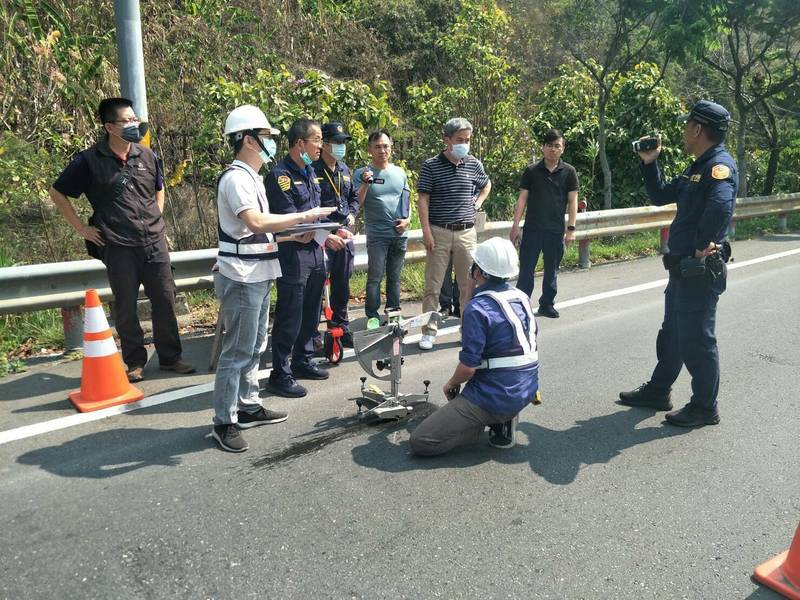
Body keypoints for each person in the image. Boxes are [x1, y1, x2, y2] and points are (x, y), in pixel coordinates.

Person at [211, 105, 334, 453]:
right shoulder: (236, 178)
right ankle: (224, 420)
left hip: (261, 271)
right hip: (242, 276)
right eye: (266, 137)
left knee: (253, 348)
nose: (270, 144)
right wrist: (305, 216)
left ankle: (248, 406)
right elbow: (256, 223)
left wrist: (292, 235)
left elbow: (257, 233)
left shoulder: (251, 178)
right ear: (248, 139)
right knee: (236, 351)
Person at [49, 97, 195, 382]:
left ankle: (170, 357)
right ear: (109, 127)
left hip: (154, 242)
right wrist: (82, 228)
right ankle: (135, 362)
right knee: (126, 306)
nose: (134, 124)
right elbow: (58, 192)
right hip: (117, 245)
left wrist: (158, 216)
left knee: (165, 299)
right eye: (127, 121)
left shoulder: (147, 155)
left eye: (135, 119)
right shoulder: (89, 161)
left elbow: (159, 187)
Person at [619, 100, 737, 428]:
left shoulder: (719, 167)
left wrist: (701, 246)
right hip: (681, 269)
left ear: (699, 129)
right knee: (672, 333)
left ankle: (704, 406)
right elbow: (659, 195)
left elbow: (720, 207)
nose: (685, 130)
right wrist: (649, 162)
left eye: (688, 125)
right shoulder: (696, 166)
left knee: (697, 338)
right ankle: (658, 390)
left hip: (697, 270)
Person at [409, 237, 539, 456]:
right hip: (527, 387)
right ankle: (504, 418)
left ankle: (483, 424)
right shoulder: (521, 297)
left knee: (421, 441)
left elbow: (468, 367)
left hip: (495, 395)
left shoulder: (477, 309)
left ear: (477, 272)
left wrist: (450, 384)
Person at [264, 119, 353, 398]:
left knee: (311, 311)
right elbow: (291, 220)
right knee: (290, 314)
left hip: (314, 253)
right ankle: (280, 372)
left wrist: (333, 229)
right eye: (316, 140)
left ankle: (302, 360)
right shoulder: (281, 176)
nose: (320, 146)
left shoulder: (309, 173)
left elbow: (317, 212)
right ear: (300, 143)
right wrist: (324, 235)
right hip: (293, 255)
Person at [417, 118, 492, 350]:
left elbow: (486, 184)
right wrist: (426, 231)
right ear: (447, 140)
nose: (464, 144)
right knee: (433, 285)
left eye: (467, 140)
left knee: (468, 284)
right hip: (439, 230)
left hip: (466, 232)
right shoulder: (431, 165)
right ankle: (429, 331)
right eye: (460, 140)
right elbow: (423, 199)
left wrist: (477, 202)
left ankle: (466, 330)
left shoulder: (473, 164)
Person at [510, 129, 578, 318]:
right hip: (532, 230)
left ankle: (547, 304)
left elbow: (573, 201)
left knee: (551, 272)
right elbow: (522, 199)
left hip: (555, 231)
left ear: (562, 149)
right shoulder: (531, 171)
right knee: (526, 271)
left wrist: (571, 229)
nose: (553, 150)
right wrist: (515, 225)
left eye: (557, 146)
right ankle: (521, 305)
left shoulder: (569, 172)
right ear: (543, 147)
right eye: (549, 145)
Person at [353, 130, 411, 329]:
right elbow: (357, 203)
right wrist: (365, 183)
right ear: (370, 149)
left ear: (391, 148)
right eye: (377, 146)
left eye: (385, 146)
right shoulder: (362, 173)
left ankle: (394, 312)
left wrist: (408, 221)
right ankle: (372, 315)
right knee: (375, 277)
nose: (382, 150)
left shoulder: (399, 173)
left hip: (399, 235)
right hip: (377, 235)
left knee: (395, 278)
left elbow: (406, 200)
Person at [311, 122, 359, 348]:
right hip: (322, 236)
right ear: (325, 144)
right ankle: (312, 334)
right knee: (317, 285)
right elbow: (309, 205)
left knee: (342, 284)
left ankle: (340, 326)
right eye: (337, 143)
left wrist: (352, 213)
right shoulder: (312, 170)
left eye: (343, 143)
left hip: (344, 235)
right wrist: (324, 229)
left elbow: (353, 199)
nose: (341, 147)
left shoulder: (345, 170)